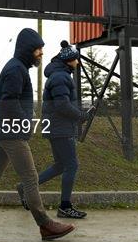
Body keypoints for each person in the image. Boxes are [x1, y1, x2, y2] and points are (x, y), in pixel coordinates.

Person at [0, 28, 76, 241]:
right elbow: (10, 102)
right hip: (12, 133)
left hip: (4, 131)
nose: (41, 53)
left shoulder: (17, 68)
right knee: (30, 177)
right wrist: (25, 123)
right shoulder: (16, 70)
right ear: (28, 49)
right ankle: (45, 224)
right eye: (38, 49)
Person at [17, 40, 92, 219]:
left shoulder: (59, 74)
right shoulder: (60, 77)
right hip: (61, 128)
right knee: (71, 165)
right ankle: (65, 207)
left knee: (60, 165)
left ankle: (24, 188)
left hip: (57, 127)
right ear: (69, 60)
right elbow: (62, 105)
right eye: (76, 59)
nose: (78, 62)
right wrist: (81, 116)